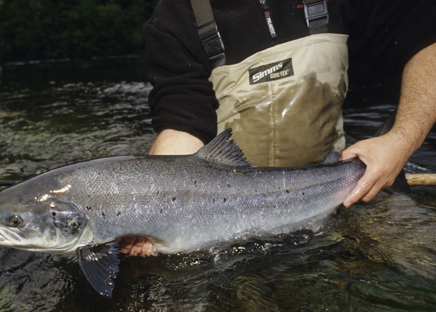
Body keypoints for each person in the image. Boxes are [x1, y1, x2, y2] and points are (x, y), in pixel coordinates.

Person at [120, 0, 436, 256]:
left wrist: (401, 139)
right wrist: (155, 216)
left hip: (344, 195)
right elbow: (181, 121)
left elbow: (426, 40)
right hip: (229, 216)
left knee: (418, 260)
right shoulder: (176, 15)